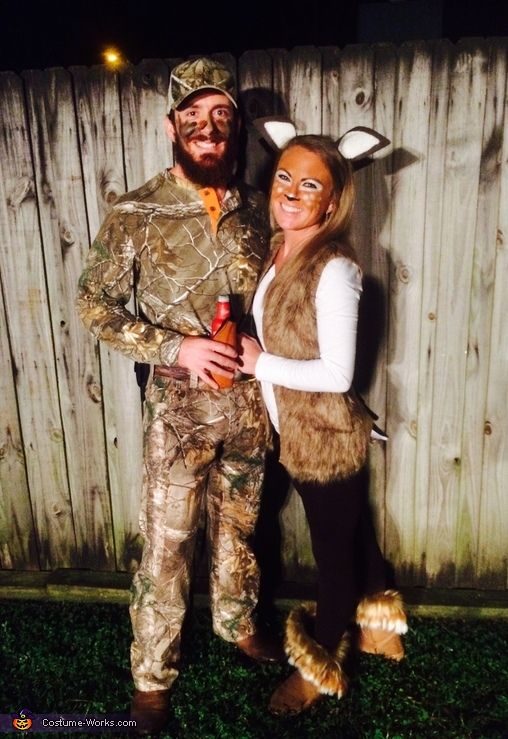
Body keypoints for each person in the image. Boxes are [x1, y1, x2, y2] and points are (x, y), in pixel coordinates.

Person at [76, 57, 284, 735]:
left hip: (251, 408)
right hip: (179, 413)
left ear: (236, 127)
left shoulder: (258, 208)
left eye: (221, 117)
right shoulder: (137, 210)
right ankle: (151, 677)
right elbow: (93, 306)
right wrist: (176, 347)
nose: (208, 130)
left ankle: (235, 624)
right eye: (193, 118)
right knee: (167, 547)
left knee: (241, 527)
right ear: (173, 127)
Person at [239, 134, 408, 715]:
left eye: (311, 184)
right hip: (295, 429)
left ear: (331, 202)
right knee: (353, 529)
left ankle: (318, 667)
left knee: (333, 555)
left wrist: (259, 362)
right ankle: (381, 627)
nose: (292, 191)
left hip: (326, 439)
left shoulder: (334, 269)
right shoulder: (275, 251)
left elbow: (337, 373)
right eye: (285, 176)